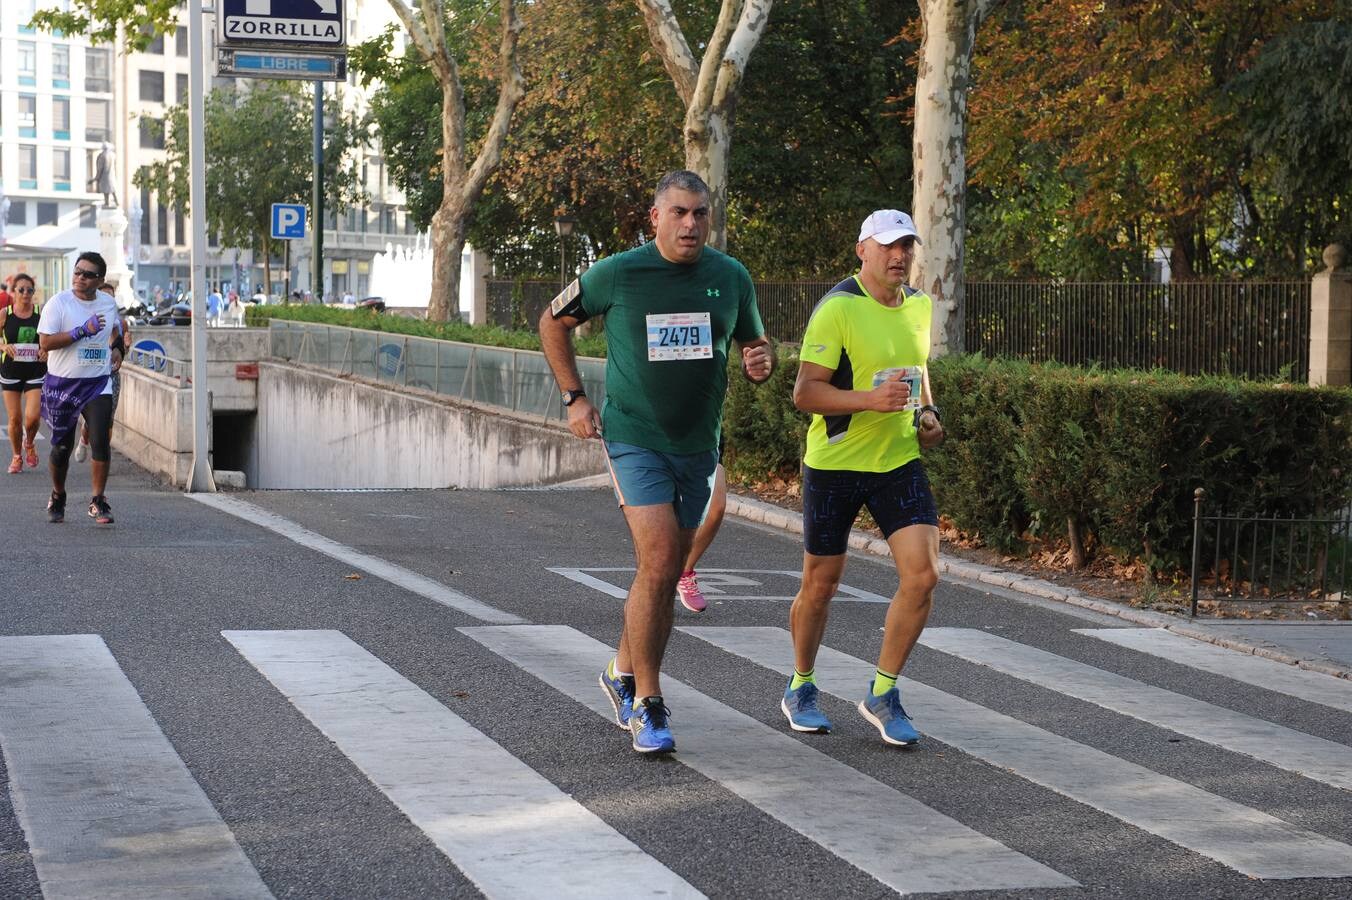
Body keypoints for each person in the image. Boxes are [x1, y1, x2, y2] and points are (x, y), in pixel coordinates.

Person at [540, 170, 774, 754]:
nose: (691, 224)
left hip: (698, 443)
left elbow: (752, 344)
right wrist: (574, 397)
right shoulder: (617, 272)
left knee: (665, 573)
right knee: (663, 557)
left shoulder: (730, 276)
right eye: (679, 213)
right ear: (656, 217)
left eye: (700, 213)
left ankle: (620, 669)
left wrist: (759, 361)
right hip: (633, 436)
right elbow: (553, 321)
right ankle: (647, 702)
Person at [780, 209, 946, 746]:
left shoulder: (920, 305)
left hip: (898, 461)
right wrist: (870, 402)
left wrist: (928, 415)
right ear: (863, 251)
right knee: (821, 586)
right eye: (888, 247)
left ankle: (883, 690)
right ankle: (801, 684)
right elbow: (805, 393)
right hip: (834, 466)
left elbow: (918, 372)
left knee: (922, 577)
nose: (899, 257)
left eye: (906, 247)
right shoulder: (838, 310)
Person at [38, 252, 123, 525]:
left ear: (99, 280)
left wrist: (118, 348)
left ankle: (98, 500)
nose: (80, 278)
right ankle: (58, 494)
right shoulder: (59, 303)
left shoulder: (108, 304)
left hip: (97, 382)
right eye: (77, 272)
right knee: (61, 447)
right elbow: (46, 344)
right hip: (63, 383)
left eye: (87, 274)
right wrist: (80, 332)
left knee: (100, 438)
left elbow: (116, 330)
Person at [74, 280, 129, 464]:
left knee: (108, 419)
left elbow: (121, 346)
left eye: (111, 297)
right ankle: (84, 440)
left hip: (111, 375)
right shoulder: (86, 318)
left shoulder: (121, 323)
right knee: (91, 421)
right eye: (105, 296)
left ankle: (102, 455)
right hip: (89, 374)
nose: (108, 300)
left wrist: (122, 348)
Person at [1, 274, 47, 473]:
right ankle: (17, 456)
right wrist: (3, 346)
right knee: (14, 419)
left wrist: (47, 350)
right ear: (13, 292)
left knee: (33, 418)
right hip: (10, 371)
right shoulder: (5, 314)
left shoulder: (41, 313)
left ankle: (29, 443)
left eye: (30, 290)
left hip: (35, 370)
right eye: (21, 290)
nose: (26, 293)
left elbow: (49, 338)